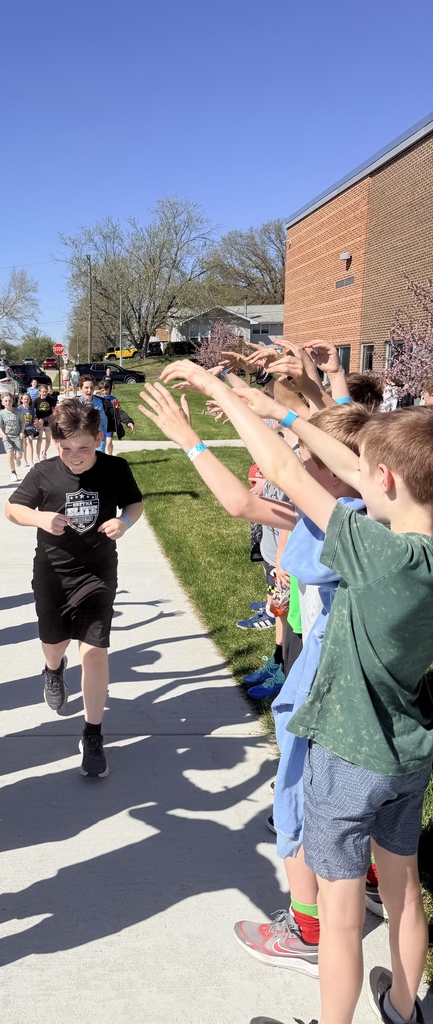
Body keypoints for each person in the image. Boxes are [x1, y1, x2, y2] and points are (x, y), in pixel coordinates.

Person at [147, 362, 433, 1024]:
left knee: (336, 920)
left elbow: (283, 471)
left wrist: (224, 392)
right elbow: (343, 464)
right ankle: (403, 1007)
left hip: (348, 754)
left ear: (380, 482)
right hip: (409, 752)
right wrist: (278, 410)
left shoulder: (370, 551)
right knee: (405, 889)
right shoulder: (410, 548)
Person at [5, 400, 144, 778]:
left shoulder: (115, 469)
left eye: (84, 447)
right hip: (53, 572)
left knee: (95, 652)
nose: (75, 457)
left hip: (98, 572)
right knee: (55, 644)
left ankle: (93, 733)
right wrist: (39, 517)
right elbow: (12, 509)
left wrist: (124, 523)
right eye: (66, 449)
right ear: (55, 444)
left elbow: (134, 502)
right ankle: (53, 670)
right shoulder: (44, 473)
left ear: (99, 439)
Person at [96, 379, 135, 455]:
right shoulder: (97, 399)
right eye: (103, 390)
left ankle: (110, 455)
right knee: (99, 444)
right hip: (99, 426)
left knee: (109, 442)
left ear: (109, 389)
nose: (105, 392)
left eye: (107, 389)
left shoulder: (113, 400)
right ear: (99, 390)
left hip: (109, 425)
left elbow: (119, 412)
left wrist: (128, 421)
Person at [0, 391, 23, 482]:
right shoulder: (1, 413)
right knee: (10, 455)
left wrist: (22, 432)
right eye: (6, 401)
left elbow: (22, 423)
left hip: (17, 436)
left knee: (19, 456)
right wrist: (3, 435)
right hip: (7, 437)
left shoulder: (18, 412)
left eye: (10, 401)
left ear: (12, 401)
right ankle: (13, 473)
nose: (8, 403)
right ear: (2, 402)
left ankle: (17, 459)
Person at [77, 374, 108, 453]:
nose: (89, 390)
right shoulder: (76, 405)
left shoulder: (100, 403)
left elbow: (104, 421)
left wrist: (103, 437)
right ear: (80, 389)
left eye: (91, 388)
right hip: (82, 440)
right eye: (86, 388)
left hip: (98, 439)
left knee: (98, 462)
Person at [33, 384, 55, 461]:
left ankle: (44, 452)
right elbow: (32, 411)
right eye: (43, 392)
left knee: (48, 440)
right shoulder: (36, 401)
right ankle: (37, 456)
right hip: (40, 422)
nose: (45, 393)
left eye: (46, 392)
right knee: (39, 440)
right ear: (39, 392)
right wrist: (35, 419)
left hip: (48, 422)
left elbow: (55, 407)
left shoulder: (50, 399)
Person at [18, 392, 37, 466]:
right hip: (22, 428)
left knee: (30, 442)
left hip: (30, 427)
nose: (26, 400)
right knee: (24, 444)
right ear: (22, 400)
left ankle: (31, 461)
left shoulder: (31, 408)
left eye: (28, 399)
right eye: (25, 399)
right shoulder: (19, 408)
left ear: (30, 400)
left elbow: (33, 417)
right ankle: (24, 459)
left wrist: (35, 423)